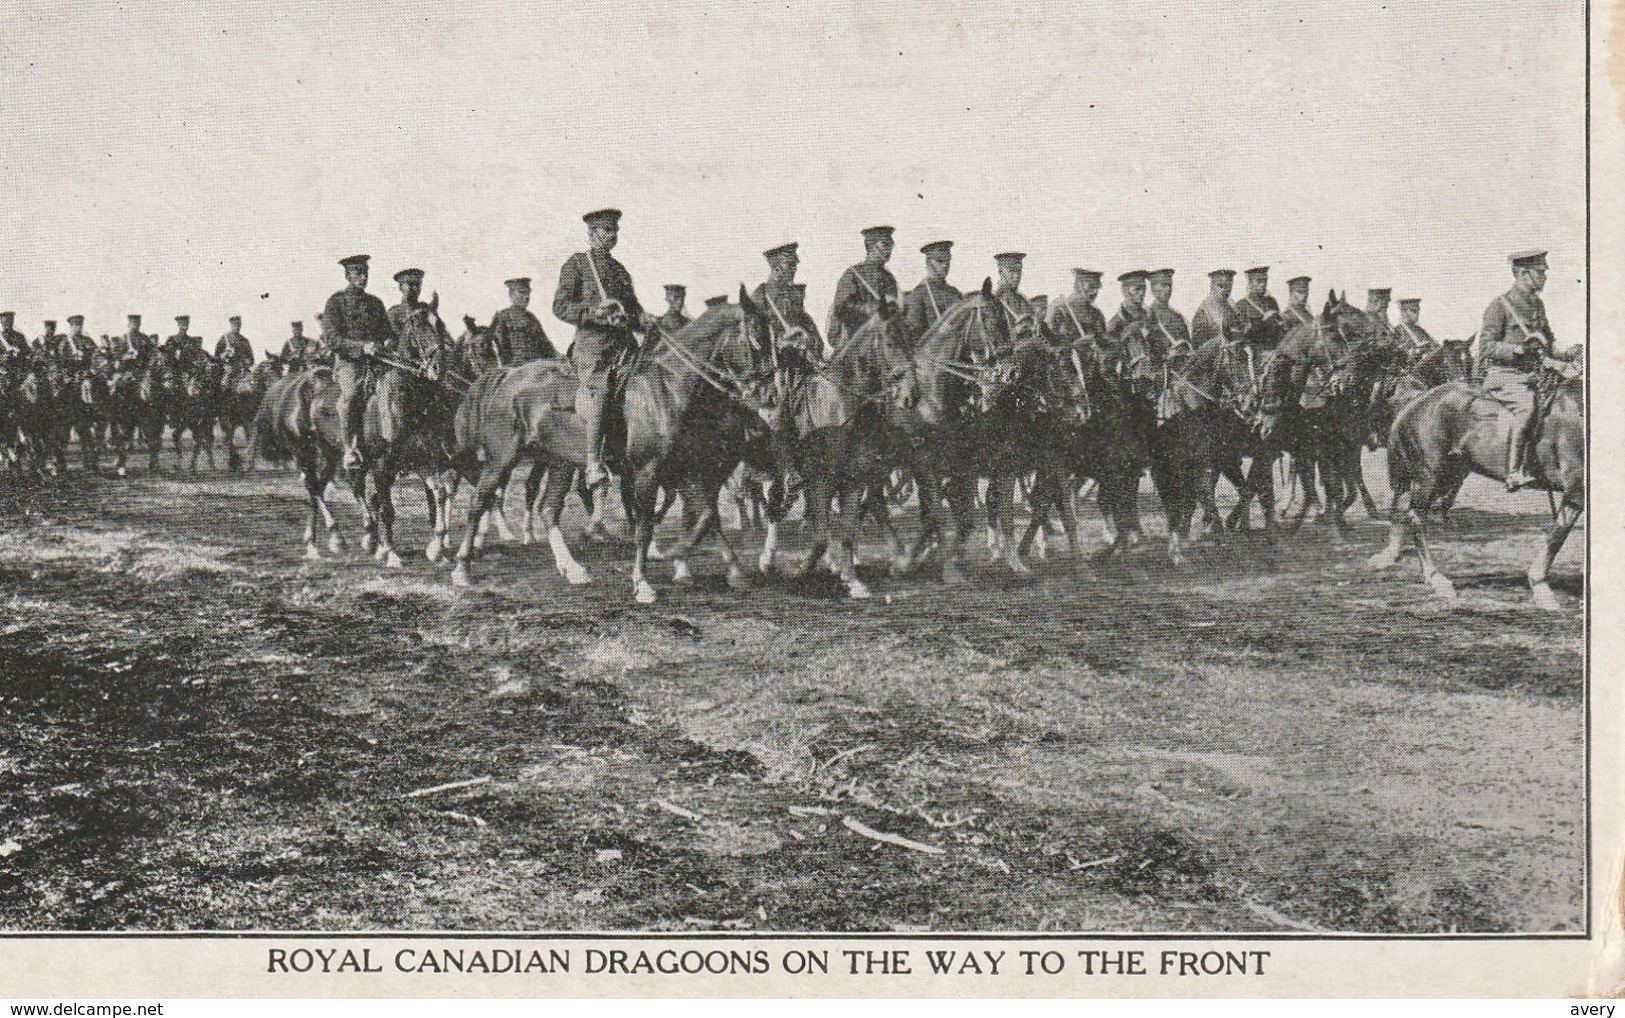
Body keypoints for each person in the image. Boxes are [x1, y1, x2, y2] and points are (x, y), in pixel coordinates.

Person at [552, 208, 651, 489]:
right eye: (608, 231)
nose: (613, 236)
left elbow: (633, 309)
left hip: (624, 347)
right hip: (594, 348)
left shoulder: (619, 270)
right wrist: (594, 313)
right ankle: (593, 462)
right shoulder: (578, 264)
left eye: (615, 231)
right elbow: (560, 306)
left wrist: (644, 320)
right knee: (601, 390)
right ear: (592, 233)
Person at [1475, 250, 1581, 489]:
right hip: (1505, 377)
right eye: (1540, 273)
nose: (1545, 278)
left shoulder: (1537, 304)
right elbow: (1486, 348)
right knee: (1527, 407)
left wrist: (1568, 351)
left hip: (1534, 376)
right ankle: (1514, 471)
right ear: (1523, 274)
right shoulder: (1500, 305)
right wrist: (1518, 350)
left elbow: (1549, 341)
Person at [322, 254, 397, 469]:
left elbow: (387, 332)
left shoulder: (375, 303)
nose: (363, 277)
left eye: (365, 273)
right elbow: (331, 338)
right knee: (351, 396)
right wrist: (361, 347)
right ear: (348, 276)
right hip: (349, 363)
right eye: (358, 273)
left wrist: (389, 341)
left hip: (378, 361)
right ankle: (349, 448)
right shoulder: (336, 302)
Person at [826, 226, 898, 348]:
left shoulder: (889, 278)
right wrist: (870, 309)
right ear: (871, 246)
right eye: (885, 244)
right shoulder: (853, 274)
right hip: (855, 338)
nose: (890, 249)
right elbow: (841, 307)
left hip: (883, 336)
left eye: (891, 245)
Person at [752, 243, 821, 358]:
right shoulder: (761, 295)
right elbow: (754, 333)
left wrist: (811, 339)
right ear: (777, 268)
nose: (795, 269)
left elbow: (805, 322)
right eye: (790, 264)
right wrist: (778, 341)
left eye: (795, 264)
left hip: (800, 359)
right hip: (773, 362)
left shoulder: (794, 293)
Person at [900, 240, 963, 345]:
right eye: (940, 261)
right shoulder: (919, 294)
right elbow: (914, 336)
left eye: (948, 261)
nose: (945, 265)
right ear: (929, 263)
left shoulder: (955, 293)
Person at [388, 267, 450, 364]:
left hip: (430, 363)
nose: (415, 288)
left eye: (418, 285)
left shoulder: (426, 310)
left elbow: (441, 332)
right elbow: (390, 341)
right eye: (410, 285)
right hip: (404, 363)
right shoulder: (394, 313)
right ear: (400, 287)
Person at [490, 277, 555, 366]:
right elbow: (500, 348)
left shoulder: (532, 318)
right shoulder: (503, 316)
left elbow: (545, 345)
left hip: (538, 365)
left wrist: (558, 358)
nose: (527, 297)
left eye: (528, 293)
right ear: (511, 294)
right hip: (517, 368)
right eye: (522, 292)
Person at [1047, 266, 1103, 346]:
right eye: (1091, 286)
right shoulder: (1060, 309)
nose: (1095, 292)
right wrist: (1075, 346)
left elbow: (1103, 345)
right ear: (1079, 285)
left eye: (1097, 288)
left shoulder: (1096, 314)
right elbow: (1048, 345)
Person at [1234, 266, 1284, 350]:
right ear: (1250, 283)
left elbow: (1280, 329)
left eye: (1265, 280)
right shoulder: (1242, 305)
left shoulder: (1271, 302)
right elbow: (1242, 335)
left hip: (1274, 350)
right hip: (1254, 352)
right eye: (1259, 281)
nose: (1263, 284)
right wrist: (1263, 322)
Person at [1145, 269, 1192, 358]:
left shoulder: (1178, 317)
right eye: (1163, 285)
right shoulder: (1148, 318)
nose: (1168, 289)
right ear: (1153, 288)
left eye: (1170, 285)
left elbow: (1189, 344)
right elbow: (1146, 353)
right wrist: (1166, 355)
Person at [1190, 268, 1242, 348]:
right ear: (1212, 286)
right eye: (1220, 286)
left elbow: (1238, 334)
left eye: (1228, 286)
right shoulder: (1204, 311)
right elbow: (1197, 346)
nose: (1224, 290)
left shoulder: (1232, 309)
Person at [1106, 270, 1150, 351]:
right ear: (1125, 291)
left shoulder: (1149, 316)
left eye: (1144, 289)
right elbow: (1108, 355)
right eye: (1137, 289)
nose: (1142, 293)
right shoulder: (1115, 323)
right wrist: (1127, 332)